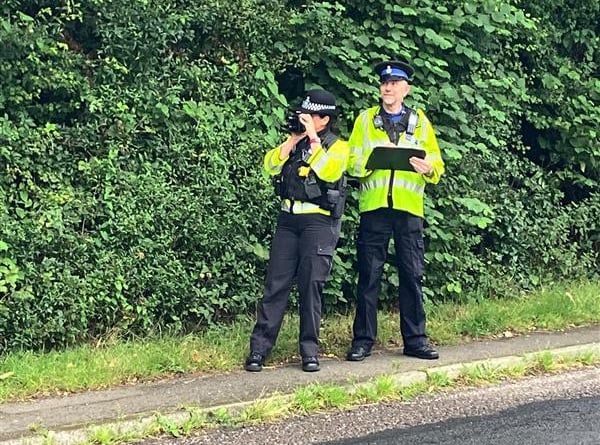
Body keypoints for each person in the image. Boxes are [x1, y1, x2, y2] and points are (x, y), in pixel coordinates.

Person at [345, 59, 445, 362]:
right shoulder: (365, 120)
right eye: (384, 83)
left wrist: (428, 168)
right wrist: (369, 163)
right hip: (375, 207)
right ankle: (363, 340)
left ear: (406, 89)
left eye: (394, 83)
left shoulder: (420, 121)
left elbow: (437, 165)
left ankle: (415, 340)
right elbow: (351, 162)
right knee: (369, 275)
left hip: (408, 209)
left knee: (412, 275)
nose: (387, 87)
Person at [245, 89, 349, 373]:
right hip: (288, 220)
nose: (304, 119)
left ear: (324, 119)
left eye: (310, 116)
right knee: (275, 285)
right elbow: (270, 165)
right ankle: (259, 350)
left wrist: (313, 140)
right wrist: (293, 139)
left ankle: (310, 352)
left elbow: (329, 173)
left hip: (318, 223)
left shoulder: (338, 147)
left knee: (310, 287)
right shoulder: (296, 142)